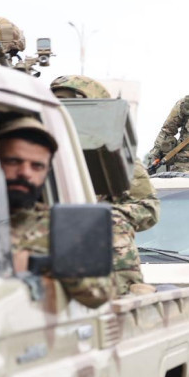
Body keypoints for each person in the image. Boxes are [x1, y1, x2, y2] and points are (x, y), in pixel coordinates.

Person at [51, 75, 160, 296]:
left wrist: (105, 215)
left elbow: (148, 208)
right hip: (46, 229)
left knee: (109, 221)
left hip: (98, 243)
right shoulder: (31, 149)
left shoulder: (117, 159)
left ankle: (126, 291)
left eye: (72, 104)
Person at [0, 116, 111, 308]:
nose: (25, 172)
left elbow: (100, 294)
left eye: (37, 166)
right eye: (14, 161)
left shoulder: (60, 226)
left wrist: (48, 264)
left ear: (46, 171)